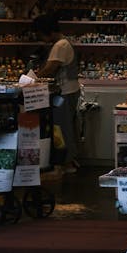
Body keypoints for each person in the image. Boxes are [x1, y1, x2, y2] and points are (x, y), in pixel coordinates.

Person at [33, 12, 80, 171]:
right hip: (70, 91)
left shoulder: (60, 45)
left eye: (40, 33)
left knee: (62, 127)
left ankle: (66, 162)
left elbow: (49, 69)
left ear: (48, 31)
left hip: (64, 93)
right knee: (66, 126)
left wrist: (32, 77)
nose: (40, 37)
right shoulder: (65, 43)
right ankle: (70, 160)